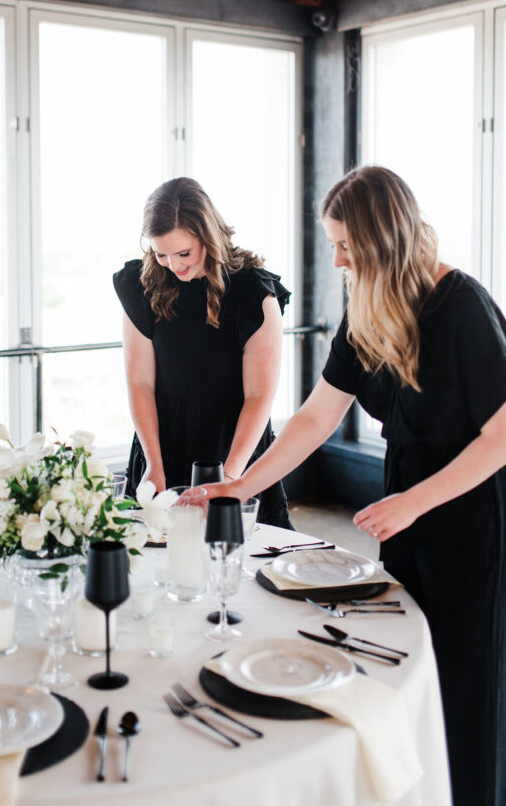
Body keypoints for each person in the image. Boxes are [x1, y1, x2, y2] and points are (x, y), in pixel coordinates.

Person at [189, 165, 506, 806]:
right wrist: (240, 486)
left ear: (382, 240)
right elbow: (316, 416)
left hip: (467, 513)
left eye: (344, 245)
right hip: (402, 508)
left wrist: (415, 503)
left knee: (464, 680)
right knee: (403, 661)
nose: (335, 259)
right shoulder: (367, 305)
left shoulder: (462, 306)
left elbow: (502, 436)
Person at [113, 176, 292, 526]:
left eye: (183, 253)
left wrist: (231, 479)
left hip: (233, 445)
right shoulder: (141, 285)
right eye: (160, 253)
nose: (173, 265)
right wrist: (153, 463)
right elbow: (140, 384)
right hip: (161, 447)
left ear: (208, 236)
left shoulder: (253, 291)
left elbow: (259, 396)